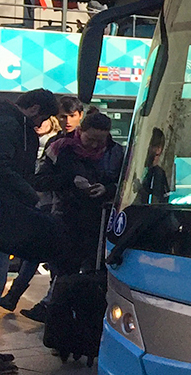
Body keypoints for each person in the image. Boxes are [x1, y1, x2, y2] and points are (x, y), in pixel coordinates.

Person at [22, 109, 124, 323]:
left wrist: (107, 189)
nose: (95, 146)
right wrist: (69, 181)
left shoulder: (117, 153)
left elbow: (127, 184)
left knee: (93, 274)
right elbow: (39, 181)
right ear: (81, 131)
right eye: (90, 139)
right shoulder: (60, 148)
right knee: (63, 274)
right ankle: (58, 323)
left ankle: (88, 322)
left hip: (101, 224)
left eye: (100, 141)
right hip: (66, 219)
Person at [0, 89, 63, 361]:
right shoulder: (11, 124)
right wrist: (28, 194)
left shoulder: (14, 123)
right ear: (35, 108)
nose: (42, 124)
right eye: (45, 116)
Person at [136, 127, 170, 204]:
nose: (145, 149)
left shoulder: (158, 174)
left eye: (149, 145)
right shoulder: (142, 170)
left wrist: (140, 189)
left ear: (158, 149)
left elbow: (155, 203)